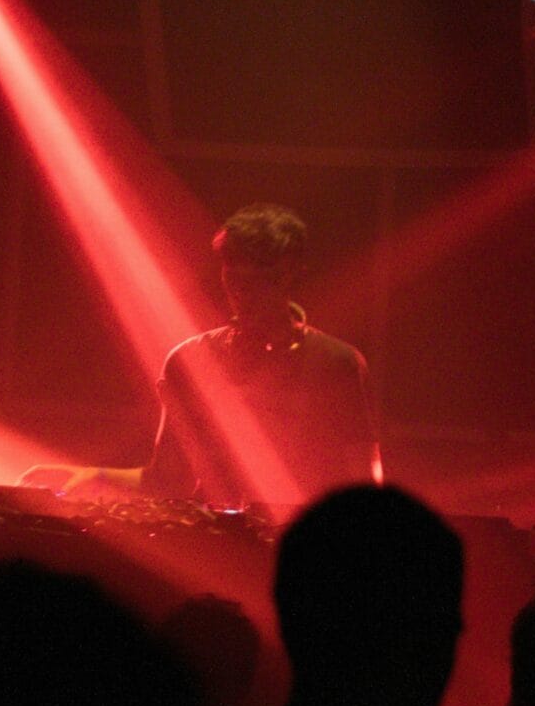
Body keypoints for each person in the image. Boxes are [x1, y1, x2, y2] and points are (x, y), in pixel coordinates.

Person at [28, 204, 380, 510]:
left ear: (287, 274)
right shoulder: (191, 360)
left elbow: (363, 488)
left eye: (255, 280)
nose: (240, 293)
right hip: (215, 549)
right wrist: (93, 477)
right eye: (232, 277)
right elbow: (166, 481)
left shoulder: (336, 363)